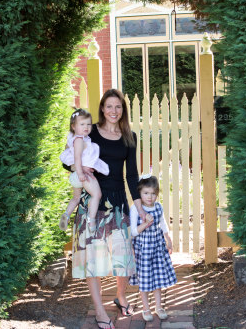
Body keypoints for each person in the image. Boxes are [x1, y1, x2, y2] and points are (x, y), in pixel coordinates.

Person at [69, 89, 148, 329]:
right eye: (109, 106)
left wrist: (140, 208)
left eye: (118, 107)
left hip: (117, 203)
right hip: (92, 199)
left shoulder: (129, 137)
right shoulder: (89, 131)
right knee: (93, 258)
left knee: (122, 257)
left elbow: (132, 176)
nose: (114, 111)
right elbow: (67, 158)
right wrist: (80, 168)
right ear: (102, 108)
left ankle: (121, 296)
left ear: (122, 111)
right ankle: (100, 312)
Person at [129, 174, 176, 322]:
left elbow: (162, 223)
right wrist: (145, 223)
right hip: (143, 250)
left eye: (153, 194)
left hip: (156, 247)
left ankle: (159, 306)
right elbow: (133, 231)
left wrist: (167, 239)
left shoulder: (158, 206)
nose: (150, 197)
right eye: (146, 193)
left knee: (157, 278)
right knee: (145, 280)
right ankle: (146, 308)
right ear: (139, 193)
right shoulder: (136, 208)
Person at [59, 109, 109, 232]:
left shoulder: (78, 139)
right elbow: (76, 158)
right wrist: (81, 173)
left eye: (88, 124)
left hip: (76, 177)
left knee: (76, 198)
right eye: (82, 124)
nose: (86, 127)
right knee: (97, 195)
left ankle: (66, 214)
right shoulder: (79, 140)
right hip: (82, 176)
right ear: (73, 126)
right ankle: (91, 220)